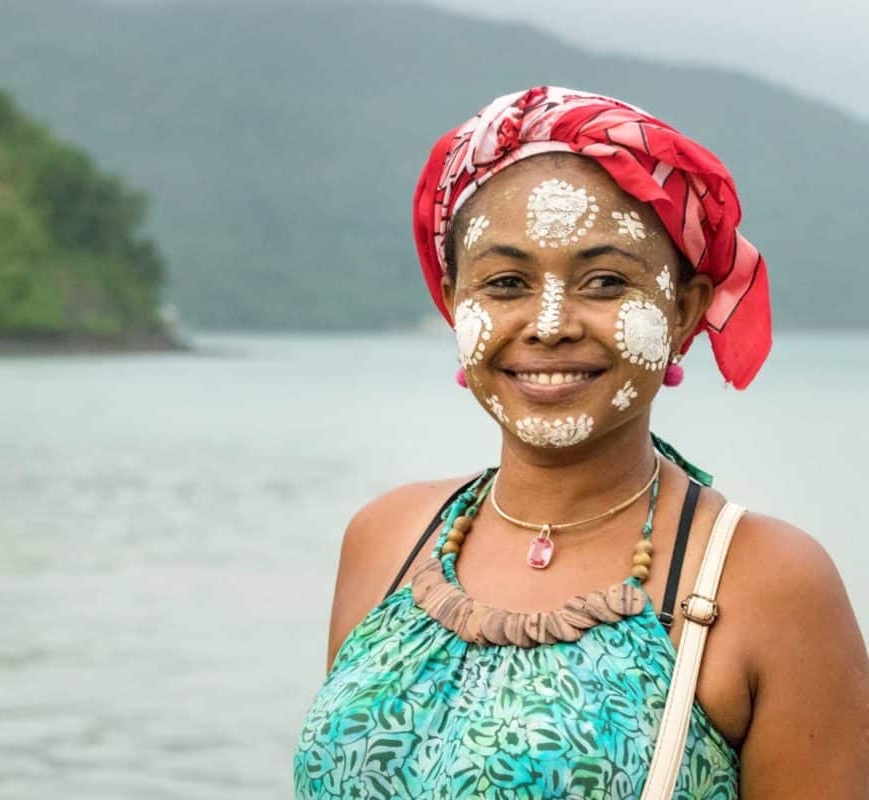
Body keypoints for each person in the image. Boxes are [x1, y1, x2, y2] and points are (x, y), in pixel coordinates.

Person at [293, 86, 869, 799]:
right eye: (506, 283)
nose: (550, 324)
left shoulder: (769, 586)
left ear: (684, 310)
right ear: (453, 301)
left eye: (604, 282)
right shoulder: (387, 539)